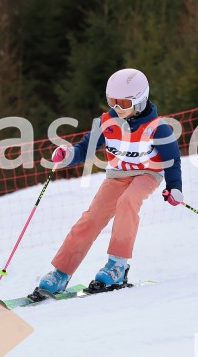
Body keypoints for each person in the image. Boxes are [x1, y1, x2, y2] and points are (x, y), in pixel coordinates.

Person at [35, 68, 183, 295]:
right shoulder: (107, 122)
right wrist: (67, 155)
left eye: (123, 103)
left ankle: (117, 266)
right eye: (112, 101)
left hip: (147, 174)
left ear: (140, 101)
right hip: (118, 174)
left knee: (127, 202)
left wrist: (174, 188)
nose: (117, 108)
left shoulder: (158, 128)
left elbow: (172, 160)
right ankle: (61, 272)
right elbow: (84, 149)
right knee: (92, 217)